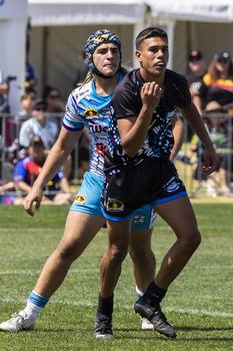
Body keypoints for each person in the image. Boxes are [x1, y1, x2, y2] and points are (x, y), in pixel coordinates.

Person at [0, 30, 183, 335]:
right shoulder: (80, 97)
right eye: (102, 51)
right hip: (99, 181)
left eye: (114, 50)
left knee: (139, 250)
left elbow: (177, 121)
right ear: (90, 57)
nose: (110, 56)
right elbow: (62, 145)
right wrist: (38, 185)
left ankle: (146, 309)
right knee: (68, 247)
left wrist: (169, 154)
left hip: (139, 181)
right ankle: (29, 313)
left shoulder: (138, 86)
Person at [97, 27, 219, 339]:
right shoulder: (126, 91)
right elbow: (128, 146)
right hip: (123, 177)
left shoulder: (176, 82)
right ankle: (104, 314)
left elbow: (189, 108)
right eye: (153, 50)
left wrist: (208, 144)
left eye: (164, 48)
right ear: (139, 56)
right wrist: (148, 107)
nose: (160, 54)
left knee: (190, 237)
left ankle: (150, 300)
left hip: (159, 172)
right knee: (116, 251)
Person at [12, 136, 72, 205]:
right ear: (29, 149)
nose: (37, 149)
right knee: (19, 202)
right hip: (31, 196)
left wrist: (68, 193)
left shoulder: (50, 163)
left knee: (65, 199)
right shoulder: (24, 163)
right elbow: (19, 183)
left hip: (52, 196)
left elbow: (61, 178)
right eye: (34, 146)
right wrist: (35, 192)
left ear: (43, 148)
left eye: (39, 146)